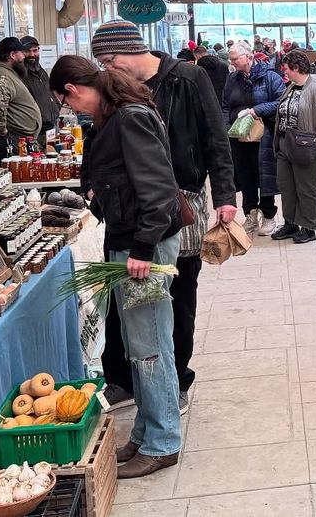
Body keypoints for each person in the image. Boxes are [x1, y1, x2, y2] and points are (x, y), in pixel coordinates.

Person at [91, 20, 238, 414]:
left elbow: (215, 138)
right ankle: (121, 379)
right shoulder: (112, 88)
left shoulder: (188, 78)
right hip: (128, 207)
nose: (106, 70)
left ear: (122, 55)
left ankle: (177, 377)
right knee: (122, 295)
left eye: (107, 61)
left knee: (178, 293)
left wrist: (225, 194)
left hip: (182, 202)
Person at [49, 55, 183, 479]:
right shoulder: (115, 115)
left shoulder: (128, 116)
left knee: (150, 346)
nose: (73, 112)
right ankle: (146, 434)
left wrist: (142, 248)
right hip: (130, 241)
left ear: (71, 89)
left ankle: (162, 443)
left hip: (145, 246)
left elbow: (159, 191)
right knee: (139, 342)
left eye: (67, 104)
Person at [271, 50, 316, 244]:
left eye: (286, 68)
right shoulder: (291, 88)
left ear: (296, 68)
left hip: (308, 147)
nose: (284, 71)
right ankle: (290, 223)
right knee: (287, 186)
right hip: (286, 144)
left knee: (307, 187)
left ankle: (309, 227)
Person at [222, 43, 285, 236]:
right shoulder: (232, 79)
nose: (231, 63)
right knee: (245, 175)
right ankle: (250, 214)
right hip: (238, 137)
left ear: (249, 57)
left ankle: (268, 215)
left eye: (235, 59)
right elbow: (225, 105)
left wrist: (257, 110)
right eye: (230, 59)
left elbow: (280, 102)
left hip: (263, 136)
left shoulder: (271, 77)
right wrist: (226, 128)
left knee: (264, 175)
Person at [0, 37, 41, 160]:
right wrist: (1, 129)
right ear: (12, 55)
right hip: (13, 139)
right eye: (21, 53)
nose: (24, 57)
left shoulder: (4, 72)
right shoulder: (1, 74)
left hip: (17, 138)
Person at [19, 36, 60, 143]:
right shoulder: (20, 76)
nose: (32, 54)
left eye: (35, 50)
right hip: (34, 132)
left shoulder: (41, 71)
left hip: (51, 127)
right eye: (27, 51)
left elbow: (51, 92)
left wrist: (56, 107)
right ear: (21, 53)